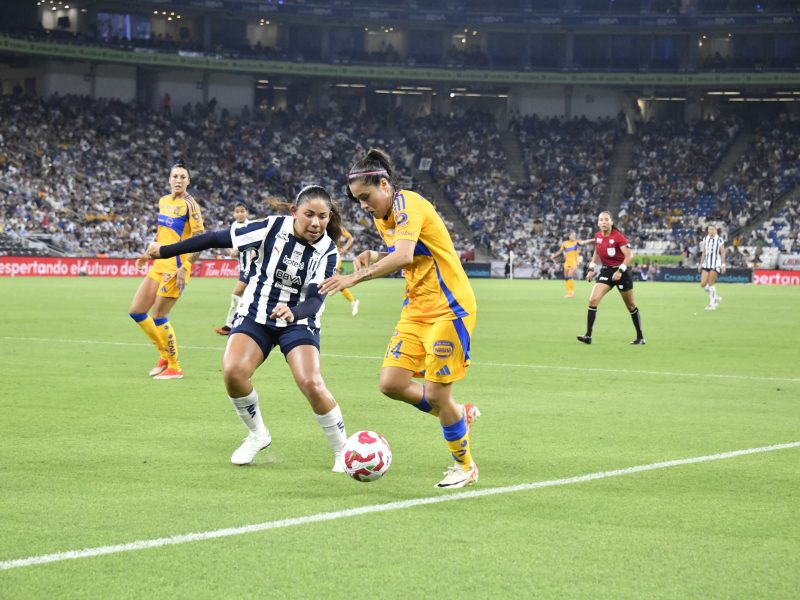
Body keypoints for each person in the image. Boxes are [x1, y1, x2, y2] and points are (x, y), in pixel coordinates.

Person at [140, 185, 349, 471]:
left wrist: (293, 311)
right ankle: (257, 434)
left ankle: (343, 452)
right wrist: (164, 251)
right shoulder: (271, 228)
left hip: (299, 321)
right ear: (294, 212)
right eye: (309, 215)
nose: (316, 223)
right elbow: (214, 238)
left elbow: (314, 301)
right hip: (255, 313)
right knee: (233, 372)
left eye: (323, 217)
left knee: (311, 382)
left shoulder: (328, 252)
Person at [319, 148, 480, 489]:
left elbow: (404, 254)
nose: (364, 206)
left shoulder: (409, 204)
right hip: (416, 309)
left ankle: (464, 465)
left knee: (437, 395)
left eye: (366, 196)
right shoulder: (383, 217)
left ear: (384, 184)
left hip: (449, 308)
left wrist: (354, 277)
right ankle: (457, 414)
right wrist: (376, 254)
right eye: (357, 200)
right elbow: (408, 256)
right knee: (391, 383)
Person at [130, 160, 204, 380]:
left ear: (188, 181)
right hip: (158, 264)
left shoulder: (191, 205)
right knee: (137, 311)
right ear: (169, 179)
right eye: (175, 176)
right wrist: (147, 253)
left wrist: (186, 266)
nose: (179, 180)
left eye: (183, 177)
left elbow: (201, 240)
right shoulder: (163, 201)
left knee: (160, 315)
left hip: (176, 267)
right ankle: (163, 355)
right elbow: (162, 232)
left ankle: (175, 367)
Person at [577, 211, 645, 345]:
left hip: (622, 272)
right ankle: (588, 336)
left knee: (630, 305)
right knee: (593, 300)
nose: (603, 222)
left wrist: (620, 270)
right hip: (607, 272)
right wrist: (591, 269)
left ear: (611, 222)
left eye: (606, 220)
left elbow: (629, 256)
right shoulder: (597, 236)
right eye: (601, 220)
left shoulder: (618, 237)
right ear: (598, 223)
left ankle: (640, 337)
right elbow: (597, 253)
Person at [214, 203, 253, 335]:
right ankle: (239, 324)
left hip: (252, 267)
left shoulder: (252, 227)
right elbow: (228, 244)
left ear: (246, 212)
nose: (240, 214)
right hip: (243, 267)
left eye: (242, 211)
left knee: (236, 293)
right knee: (246, 296)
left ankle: (231, 325)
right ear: (233, 214)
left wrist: (252, 252)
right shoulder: (233, 228)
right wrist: (231, 251)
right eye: (237, 212)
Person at [550, 231, 593, 298]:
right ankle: (569, 292)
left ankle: (572, 293)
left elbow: (585, 242)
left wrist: (593, 239)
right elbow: (560, 252)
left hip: (574, 262)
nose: (574, 236)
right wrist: (554, 256)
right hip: (567, 263)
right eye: (572, 235)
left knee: (570, 276)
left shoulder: (577, 242)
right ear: (569, 236)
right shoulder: (565, 243)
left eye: (574, 235)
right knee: (566, 278)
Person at [698, 224, 726, 310]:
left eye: (712, 229)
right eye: (709, 229)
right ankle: (716, 296)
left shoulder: (719, 239)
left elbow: (722, 252)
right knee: (703, 284)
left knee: (711, 284)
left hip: (715, 264)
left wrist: (723, 264)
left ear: (715, 230)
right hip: (706, 263)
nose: (710, 231)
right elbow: (704, 252)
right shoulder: (706, 238)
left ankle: (712, 304)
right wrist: (700, 263)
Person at [336, 225, 361, 316]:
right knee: (334, 282)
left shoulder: (337, 227)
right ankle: (353, 302)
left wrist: (344, 249)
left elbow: (350, 238)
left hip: (334, 256)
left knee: (336, 280)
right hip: (323, 256)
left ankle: (353, 302)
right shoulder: (320, 224)